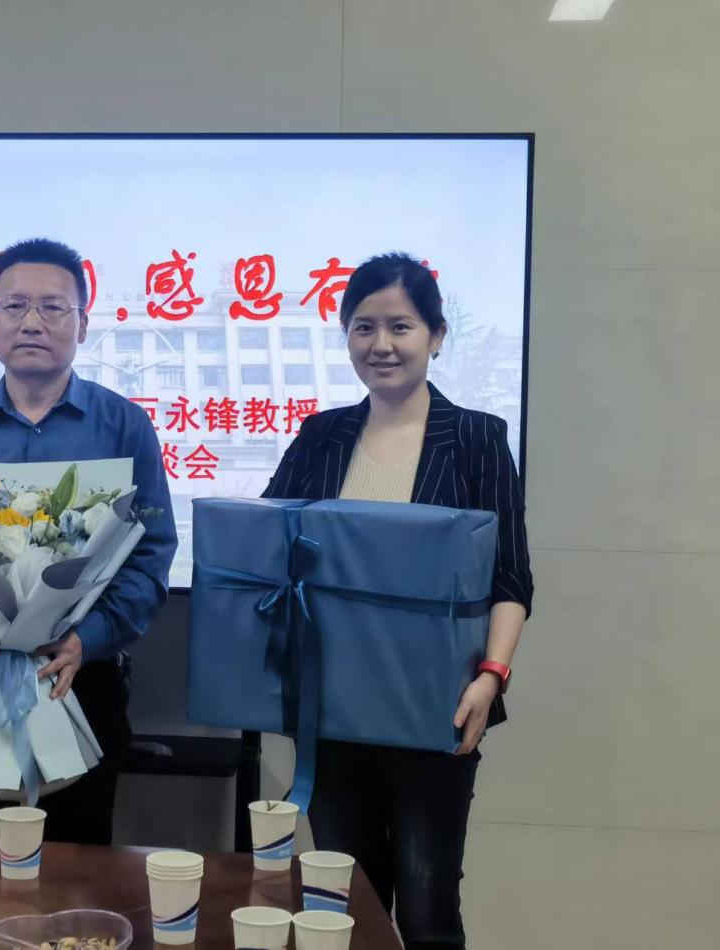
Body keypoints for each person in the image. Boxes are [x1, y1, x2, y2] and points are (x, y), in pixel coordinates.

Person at [264, 253, 532, 949]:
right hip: (332, 712)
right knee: (343, 909)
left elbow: (510, 579)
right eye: (363, 327)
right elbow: (263, 549)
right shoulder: (320, 435)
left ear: (436, 336)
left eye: (400, 326)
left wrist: (490, 677)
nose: (380, 344)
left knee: (427, 909)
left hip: (436, 709)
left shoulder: (476, 438)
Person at [0, 237, 178, 844]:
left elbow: (151, 555)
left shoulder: (124, 426)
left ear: (83, 324)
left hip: (79, 674)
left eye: (53, 307)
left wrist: (86, 639)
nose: (31, 322)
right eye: (15, 305)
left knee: (79, 871)